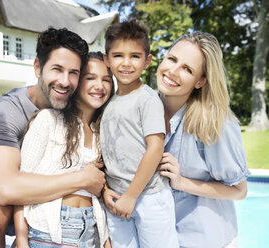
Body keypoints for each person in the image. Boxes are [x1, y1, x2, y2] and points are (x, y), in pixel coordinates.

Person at [0, 28, 107, 248]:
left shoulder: (79, 102)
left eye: (73, 72)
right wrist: (83, 180)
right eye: (57, 69)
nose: (65, 81)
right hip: (17, 182)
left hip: (66, 214)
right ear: (38, 67)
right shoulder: (10, 108)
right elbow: (7, 189)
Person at [156, 31, 250, 248]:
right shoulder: (145, 108)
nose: (173, 71)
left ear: (200, 81)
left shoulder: (216, 124)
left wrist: (182, 182)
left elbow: (240, 191)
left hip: (207, 240)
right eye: (172, 59)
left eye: (187, 69)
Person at [13, 52, 113, 248]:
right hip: (49, 230)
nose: (99, 86)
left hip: (90, 230)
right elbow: (21, 186)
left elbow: (99, 188)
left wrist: (105, 240)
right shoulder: (48, 120)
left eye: (106, 80)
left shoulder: (103, 132)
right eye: (90, 78)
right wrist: (22, 240)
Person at [100, 19, 179, 247]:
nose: (126, 63)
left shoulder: (148, 99)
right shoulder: (108, 103)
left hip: (148, 197)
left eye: (135, 56)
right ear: (107, 59)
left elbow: (155, 148)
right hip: (117, 198)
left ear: (147, 61)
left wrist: (132, 196)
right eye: (118, 56)